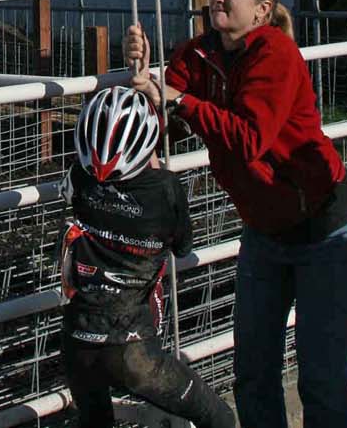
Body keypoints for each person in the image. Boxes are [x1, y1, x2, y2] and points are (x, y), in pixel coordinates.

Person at [124, 0, 347, 428]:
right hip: (264, 232)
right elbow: (160, 119)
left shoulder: (275, 53)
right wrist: (139, 68)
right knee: (252, 372)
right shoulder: (196, 56)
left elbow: (251, 137)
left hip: (325, 228)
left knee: (322, 378)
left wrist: (182, 102)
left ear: (261, 9)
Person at [60, 84, 235, 428]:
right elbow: (183, 245)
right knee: (218, 418)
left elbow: (77, 189)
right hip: (132, 350)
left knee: (96, 423)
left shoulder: (80, 178)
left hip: (76, 342)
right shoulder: (165, 190)